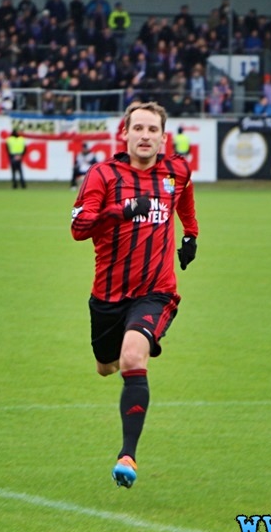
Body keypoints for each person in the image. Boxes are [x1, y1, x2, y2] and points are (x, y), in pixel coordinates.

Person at [70, 101, 199, 489]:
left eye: (152, 130)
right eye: (138, 128)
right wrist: (119, 212)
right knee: (107, 366)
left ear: (163, 137)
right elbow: (79, 228)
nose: (145, 136)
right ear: (123, 134)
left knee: (132, 356)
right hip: (108, 295)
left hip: (156, 292)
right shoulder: (103, 175)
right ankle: (119, 363)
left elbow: (186, 200)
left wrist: (191, 234)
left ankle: (127, 455)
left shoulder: (176, 170)